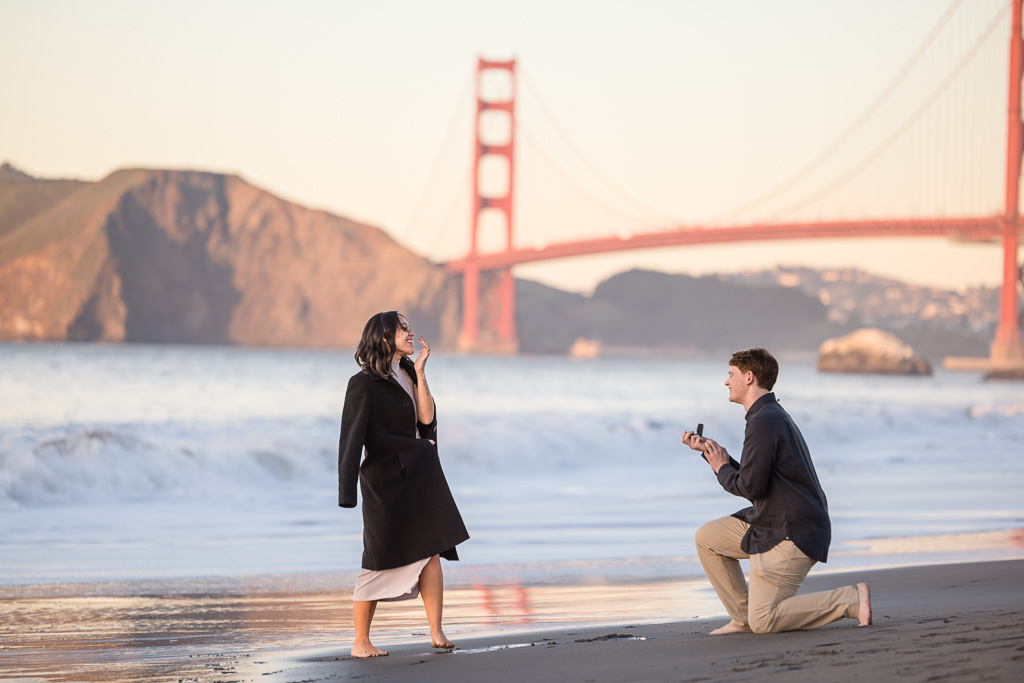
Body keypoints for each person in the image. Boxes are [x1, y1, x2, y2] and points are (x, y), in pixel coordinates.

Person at [681, 347, 871, 635]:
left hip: (790, 530)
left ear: (749, 377)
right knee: (707, 538)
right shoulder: (767, 415)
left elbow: (750, 486)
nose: (726, 381)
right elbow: (757, 478)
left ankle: (850, 600)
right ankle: (743, 618)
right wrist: (714, 456)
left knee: (765, 621)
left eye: (730, 374)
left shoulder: (763, 421)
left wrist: (721, 468)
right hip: (772, 520)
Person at [338, 311, 469, 657]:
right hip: (384, 481)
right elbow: (352, 440)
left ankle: (437, 631)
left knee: (431, 549)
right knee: (377, 558)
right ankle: (360, 642)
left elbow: (426, 420)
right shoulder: (362, 383)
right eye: (404, 328)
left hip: (418, 475)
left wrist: (421, 372)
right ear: (384, 337)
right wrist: (346, 491)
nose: (412, 333)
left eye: (410, 327)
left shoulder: (410, 372)